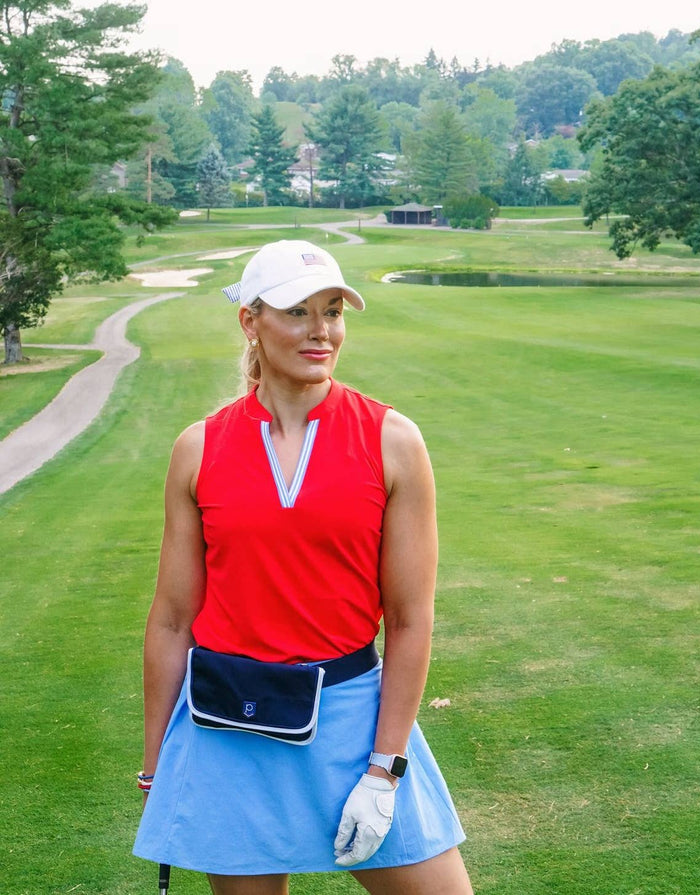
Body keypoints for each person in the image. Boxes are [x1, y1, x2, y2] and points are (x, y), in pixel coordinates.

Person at [133, 239, 473, 895]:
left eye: (333, 311)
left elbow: (408, 619)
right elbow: (172, 621)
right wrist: (159, 767)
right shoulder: (198, 449)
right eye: (298, 312)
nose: (321, 331)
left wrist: (384, 770)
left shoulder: (391, 439)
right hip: (229, 730)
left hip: (353, 720)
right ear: (250, 322)